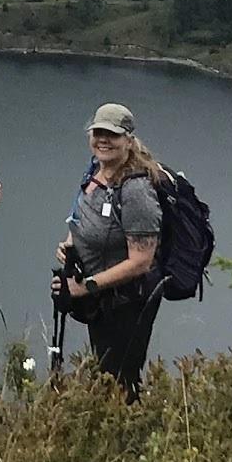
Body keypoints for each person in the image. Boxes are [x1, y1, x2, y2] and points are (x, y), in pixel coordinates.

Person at [57, 103, 169, 398]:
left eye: (112, 135)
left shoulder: (136, 191)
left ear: (128, 141)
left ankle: (126, 437)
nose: (103, 140)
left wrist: (87, 287)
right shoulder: (97, 170)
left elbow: (141, 262)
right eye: (98, 132)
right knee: (104, 373)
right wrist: (72, 244)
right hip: (103, 300)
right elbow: (83, 216)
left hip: (128, 302)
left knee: (120, 380)